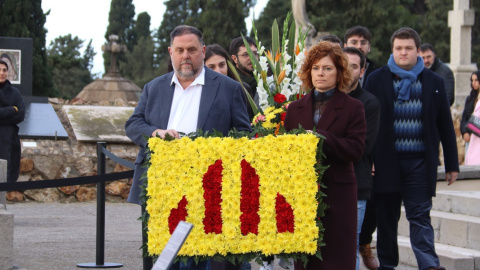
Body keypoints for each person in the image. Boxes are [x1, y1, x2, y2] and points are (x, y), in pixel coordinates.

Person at [125, 25, 252, 270]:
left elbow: (244, 134)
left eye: (192, 50)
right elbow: (133, 124)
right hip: (163, 185)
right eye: (180, 50)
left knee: (207, 258)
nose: (186, 56)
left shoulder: (229, 88)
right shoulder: (153, 88)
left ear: (202, 51)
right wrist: (156, 132)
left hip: (211, 185)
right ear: (170, 52)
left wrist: (211, 150)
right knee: (166, 257)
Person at [365, 27, 458, 270]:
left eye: (408, 48)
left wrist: (452, 165)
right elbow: (367, 123)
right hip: (386, 163)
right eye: (398, 48)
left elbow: (445, 126)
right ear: (392, 50)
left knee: (419, 216)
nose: (403, 53)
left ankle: (429, 265)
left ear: (418, 51)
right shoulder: (376, 79)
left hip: (420, 163)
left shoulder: (434, 82)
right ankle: (387, 265)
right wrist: (369, 158)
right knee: (387, 219)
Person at [285, 41, 366, 269]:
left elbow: (356, 149)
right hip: (304, 194)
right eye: (316, 68)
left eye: (328, 68)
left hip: (338, 194)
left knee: (337, 258)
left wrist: (322, 138)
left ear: (339, 72)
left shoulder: (353, 107)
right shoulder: (295, 108)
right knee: (305, 259)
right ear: (309, 72)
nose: (321, 73)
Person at [344, 25, 379, 270]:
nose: (348, 70)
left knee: (349, 248)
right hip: (321, 185)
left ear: (363, 70)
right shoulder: (319, 99)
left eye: (354, 66)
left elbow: (361, 147)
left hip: (355, 185)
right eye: (343, 64)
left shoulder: (369, 103)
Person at [205, 44, 256, 121]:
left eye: (222, 65)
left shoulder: (243, 89)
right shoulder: (199, 93)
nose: (218, 71)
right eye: (211, 67)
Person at [0, 59, 25, 183]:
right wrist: (11, 110)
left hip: (10, 138)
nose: (2, 73)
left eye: (4, 70)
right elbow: (15, 111)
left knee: (8, 170)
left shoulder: (15, 93)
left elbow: (21, 114)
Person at [462, 71, 480, 163]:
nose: (474, 83)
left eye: (476, 80)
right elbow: (465, 116)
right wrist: (465, 132)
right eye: (472, 80)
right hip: (471, 134)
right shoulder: (470, 98)